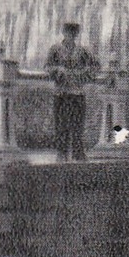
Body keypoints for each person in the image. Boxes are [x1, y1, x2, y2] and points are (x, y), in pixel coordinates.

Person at [45, 22, 99, 161]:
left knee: (77, 124)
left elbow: (95, 67)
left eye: (74, 33)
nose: (71, 36)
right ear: (64, 33)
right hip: (61, 92)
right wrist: (58, 70)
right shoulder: (55, 49)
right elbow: (47, 67)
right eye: (69, 33)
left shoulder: (83, 51)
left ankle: (77, 152)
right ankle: (61, 153)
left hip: (77, 92)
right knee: (61, 124)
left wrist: (85, 74)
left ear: (76, 35)